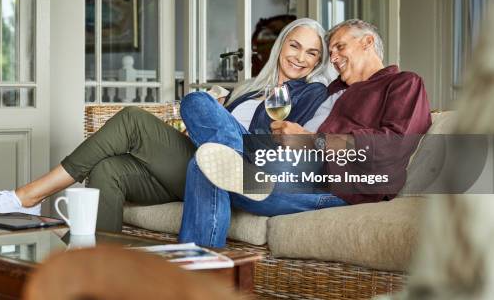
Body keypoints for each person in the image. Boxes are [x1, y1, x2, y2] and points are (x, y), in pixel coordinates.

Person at [0, 18, 330, 233]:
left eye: (311, 53)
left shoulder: (311, 92)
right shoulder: (249, 88)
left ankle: (28, 196)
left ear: (318, 61)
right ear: (282, 46)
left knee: (136, 119)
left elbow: (285, 142)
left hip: (241, 173)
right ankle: (100, 268)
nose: (300, 57)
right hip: (200, 163)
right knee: (109, 169)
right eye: (295, 46)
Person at [179, 19, 432, 247]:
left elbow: (393, 146)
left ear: (367, 42)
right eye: (330, 52)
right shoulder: (333, 89)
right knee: (198, 110)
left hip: (331, 184)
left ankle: (239, 167)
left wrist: (311, 142)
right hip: (278, 162)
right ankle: (197, 281)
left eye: (340, 47)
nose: (333, 57)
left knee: (206, 163)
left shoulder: (403, 83)